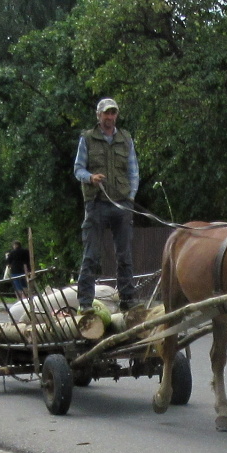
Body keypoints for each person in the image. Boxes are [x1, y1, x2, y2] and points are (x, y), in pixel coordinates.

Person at [74, 98, 139, 313]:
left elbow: (133, 172)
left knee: (125, 256)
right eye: (106, 114)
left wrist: (130, 198)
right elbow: (78, 169)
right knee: (91, 255)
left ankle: (128, 300)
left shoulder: (125, 139)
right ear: (99, 116)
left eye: (113, 114)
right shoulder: (87, 138)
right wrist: (90, 177)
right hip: (96, 204)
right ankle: (85, 303)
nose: (110, 117)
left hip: (121, 204)